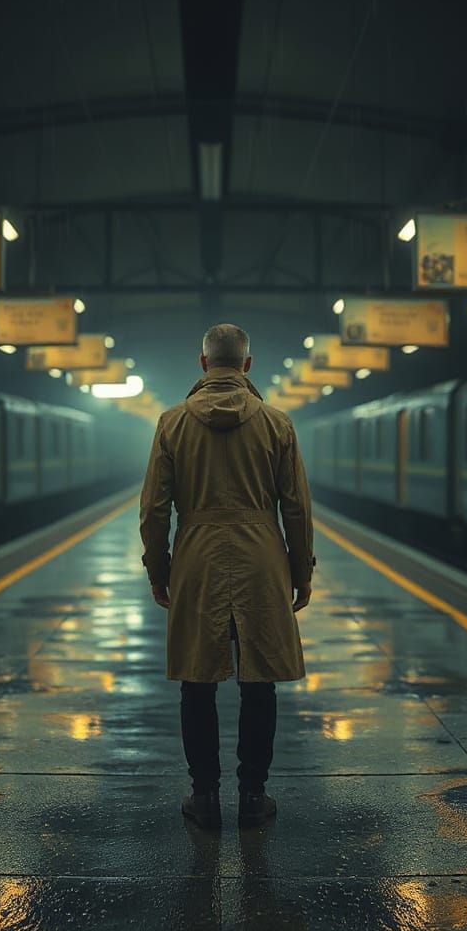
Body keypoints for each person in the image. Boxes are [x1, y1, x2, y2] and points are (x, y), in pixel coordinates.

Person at [139, 323, 315, 829]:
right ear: (247, 365)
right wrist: (301, 571)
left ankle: (205, 797)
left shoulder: (172, 423)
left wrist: (160, 570)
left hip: (197, 560)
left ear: (203, 363)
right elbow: (297, 508)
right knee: (260, 682)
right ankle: (254, 795)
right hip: (262, 561)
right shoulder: (278, 424)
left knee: (197, 683)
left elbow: (154, 510)